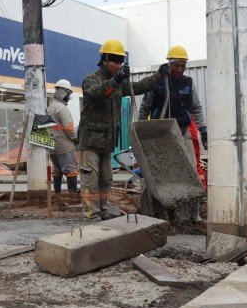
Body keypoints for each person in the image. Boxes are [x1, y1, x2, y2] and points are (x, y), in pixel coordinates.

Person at [79, 39, 167, 220]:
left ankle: (102, 210)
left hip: (106, 141)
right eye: (115, 61)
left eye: (120, 61)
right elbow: (98, 92)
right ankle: (91, 214)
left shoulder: (118, 82)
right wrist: (116, 80)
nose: (118, 65)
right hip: (90, 141)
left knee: (105, 180)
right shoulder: (91, 79)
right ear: (105, 60)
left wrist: (158, 76)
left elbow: (138, 87)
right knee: (90, 180)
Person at [138, 45, 207, 186]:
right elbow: (144, 108)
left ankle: (188, 199)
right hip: (162, 132)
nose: (180, 69)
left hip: (183, 130)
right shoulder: (157, 81)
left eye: (183, 66)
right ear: (169, 64)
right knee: (163, 168)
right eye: (177, 66)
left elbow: (196, 107)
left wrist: (203, 130)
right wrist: (142, 131)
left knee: (190, 166)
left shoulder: (188, 82)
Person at [48, 79, 79, 194]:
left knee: (57, 170)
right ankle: (72, 194)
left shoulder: (50, 108)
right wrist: (75, 138)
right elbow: (69, 128)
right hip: (65, 146)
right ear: (63, 93)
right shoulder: (62, 108)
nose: (68, 97)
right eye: (68, 94)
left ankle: (57, 193)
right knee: (71, 170)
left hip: (52, 147)